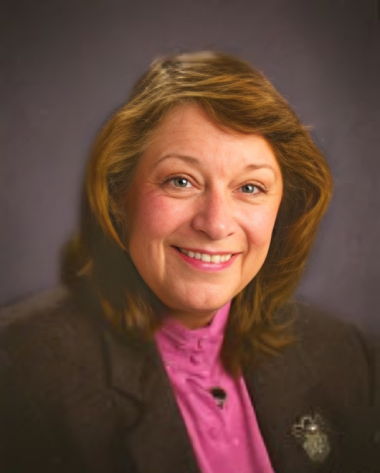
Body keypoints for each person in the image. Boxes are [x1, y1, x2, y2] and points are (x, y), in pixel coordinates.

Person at [0, 51, 379, 473]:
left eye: (250, 187)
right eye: (180, 181)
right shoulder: (18, 369)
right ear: (119, 197)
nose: (216, 224)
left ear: (283, 211)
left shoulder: (345, 354)